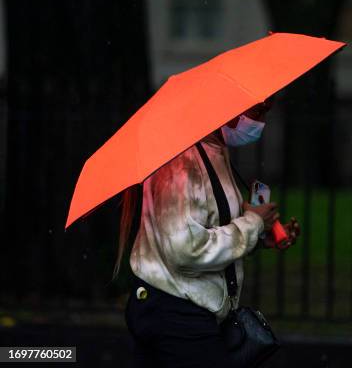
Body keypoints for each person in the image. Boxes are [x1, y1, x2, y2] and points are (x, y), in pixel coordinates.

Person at [116, 96, 300, 367]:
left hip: (187, 310)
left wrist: (259, 235)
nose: (260, 122)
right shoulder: (181, 161)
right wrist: (252, 224)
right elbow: (185, 249)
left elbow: (207, 223)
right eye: (258, 110)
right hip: (175, 312)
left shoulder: (212, 150)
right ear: (231, 106)